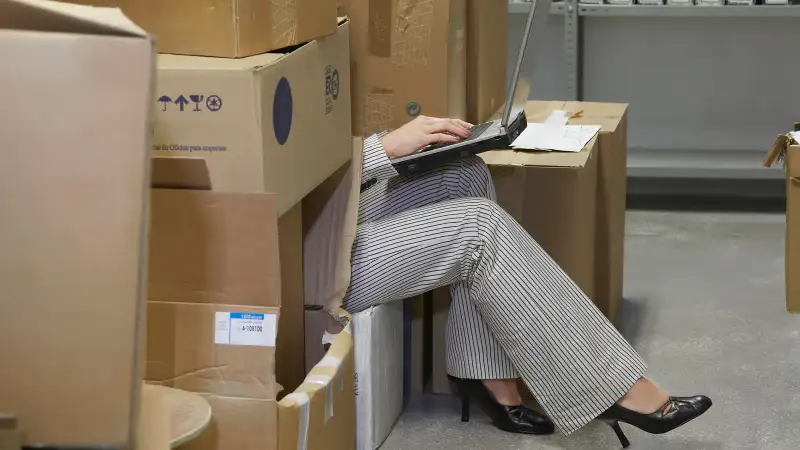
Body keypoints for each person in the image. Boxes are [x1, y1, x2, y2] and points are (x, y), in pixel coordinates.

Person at [341, 115, 712, 447]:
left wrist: (380, 148)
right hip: (307, 258)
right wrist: (379, 151)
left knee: (462, 171)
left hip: (326, 213)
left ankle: (485, 373)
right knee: (479, 226)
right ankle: (612, 389)